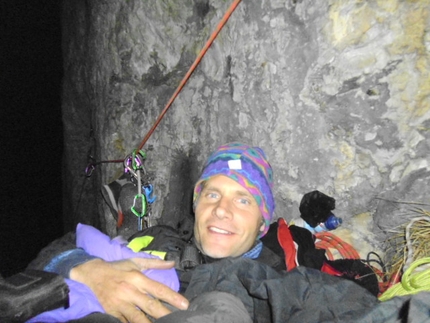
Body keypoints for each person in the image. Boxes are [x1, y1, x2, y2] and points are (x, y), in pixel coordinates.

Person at [27, 142, 280, 322]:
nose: (221, 210)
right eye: (212, 194)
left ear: (262, 223)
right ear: (197, 203)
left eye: (243, 200)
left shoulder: (277, 289)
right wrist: (83, 268)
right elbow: (52, 255)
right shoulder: (159, 238)